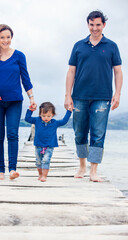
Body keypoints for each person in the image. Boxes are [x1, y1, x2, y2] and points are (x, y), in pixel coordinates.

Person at [64, 10, 123, 182]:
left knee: (98, 133)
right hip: (79, 96)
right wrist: (68, 95)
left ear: (104, 25)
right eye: (91, 24)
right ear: (88, 25)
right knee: (79, 133)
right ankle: (82, 166)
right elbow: (71, 71)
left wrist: (117, 93)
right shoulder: (78, 45)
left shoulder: (111, 46)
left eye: (98, 24)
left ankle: (93, 170)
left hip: (102, 97)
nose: (95, 28)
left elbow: (118, 72)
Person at [0, 24, 36, 180]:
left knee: (12, 134)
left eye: (8, 37)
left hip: (15, 102)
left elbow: (26, 79)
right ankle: (0, 171)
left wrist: (31, 97)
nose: (6, 40)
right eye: (2, 37)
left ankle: (12, 169)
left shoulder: (19, 56)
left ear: (12, 38)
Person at [25, 102, 72, 182]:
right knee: (38, 162)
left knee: (46, 160)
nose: (46, 118)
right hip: (38, 145)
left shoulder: (55, 123)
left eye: (48, 116)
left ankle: (44, 176)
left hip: (49, 146)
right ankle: (40, 174)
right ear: (40, 114)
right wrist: (30, 110)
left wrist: (69, 111)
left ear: (53, 114)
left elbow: (64, 121)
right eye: (43, 116)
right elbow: (27, 119)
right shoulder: (37, 120)